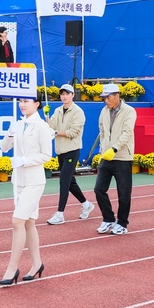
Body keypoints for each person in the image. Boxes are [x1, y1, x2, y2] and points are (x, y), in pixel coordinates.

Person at [0, 95, 54, 286]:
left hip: (34, 181)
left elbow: (46, 155)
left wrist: (25, 161)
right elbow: (5, 148)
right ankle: (37, 264)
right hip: (19, 181)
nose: (22, 105)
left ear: (37, 104)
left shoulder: (42, 127)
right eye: (21, 101)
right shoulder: (19, 124)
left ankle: (12, 268)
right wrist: (9, 133)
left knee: (17, 221)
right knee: (29, 222)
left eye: (26, 101)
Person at [46, 85, 94, 224]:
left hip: (72, 151)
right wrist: (46, 116)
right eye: (62, 94)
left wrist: (55, 132)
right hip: (60, 151)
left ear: (73, 95)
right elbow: (50, 127)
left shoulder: (78, 112)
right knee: (70, 182)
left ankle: (60, 214)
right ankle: (86, 204)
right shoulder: (57, 110)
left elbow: (73, 133)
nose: (64, 96)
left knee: (64, 181)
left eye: (67, 94)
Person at [94, 83, 136, 235]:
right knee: (99, 189)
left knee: (123, 193)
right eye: (104, 98)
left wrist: (115, 148)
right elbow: (102, 130)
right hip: (106, 157)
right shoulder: (104, 111)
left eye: (108, 97)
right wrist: (103, 148)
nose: (106, 100)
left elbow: (127, 133)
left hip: (123, 157)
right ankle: (108, 219)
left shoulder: (129, 111)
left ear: (117, 96)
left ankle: (122, 223)